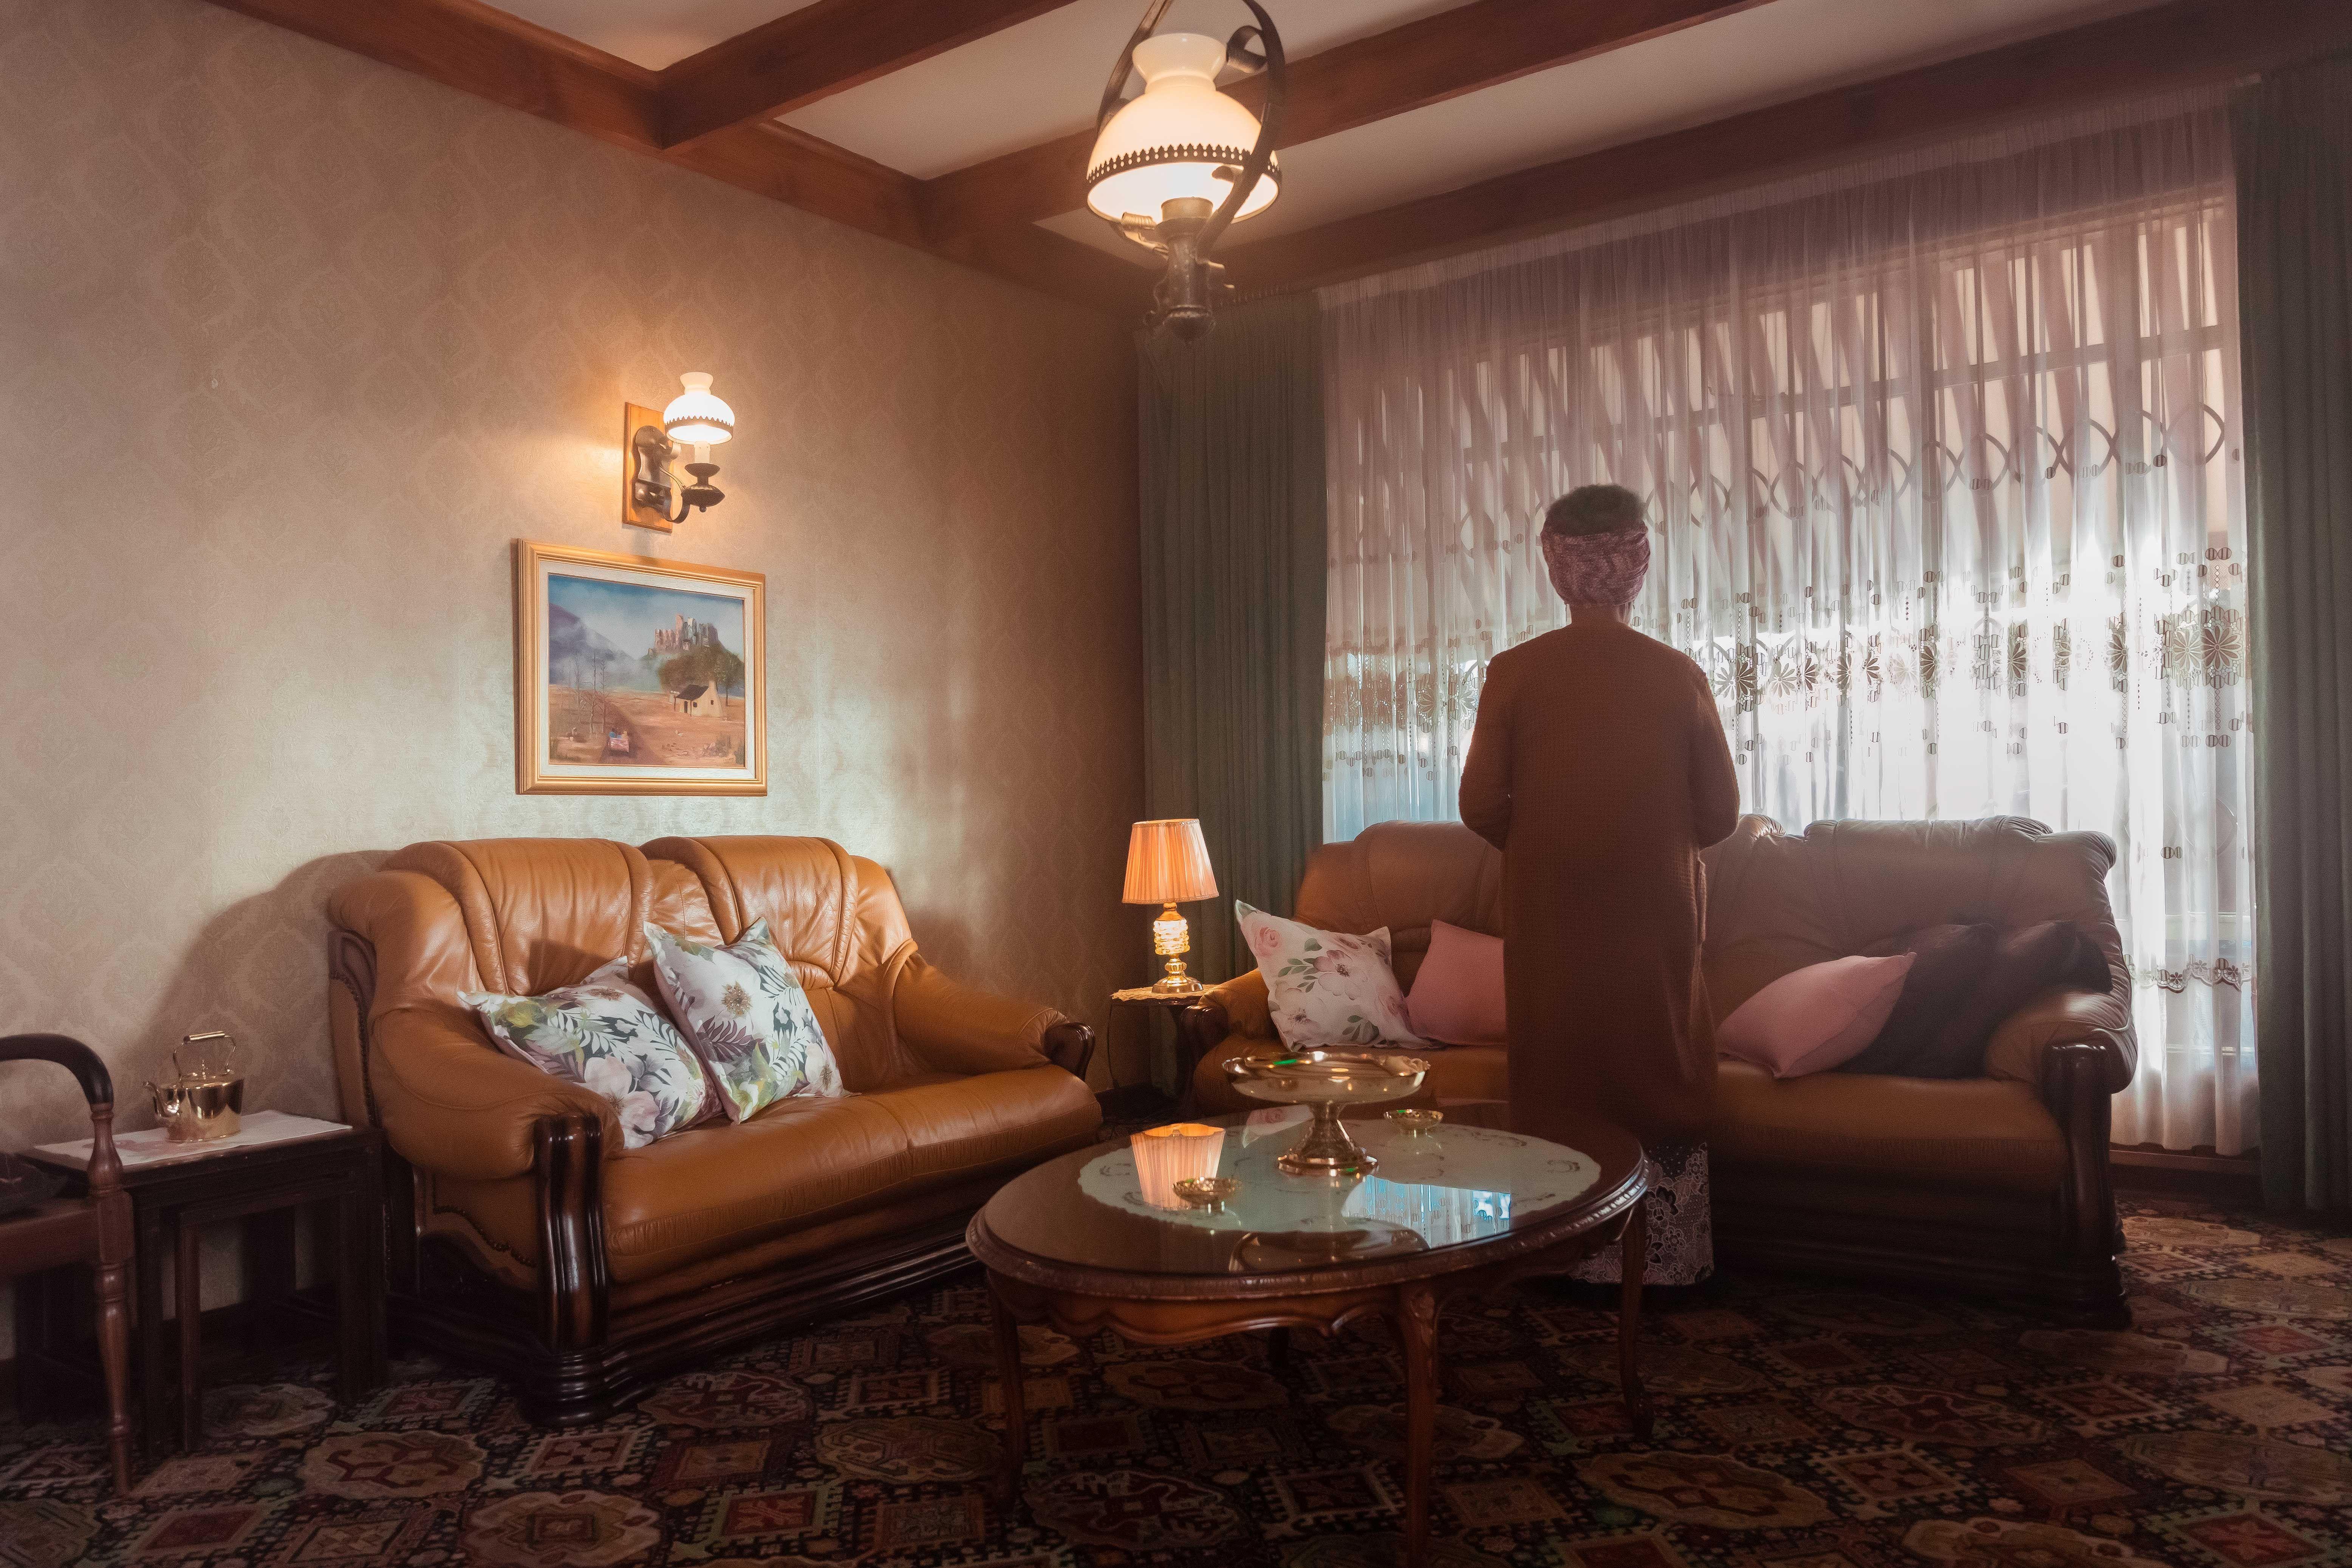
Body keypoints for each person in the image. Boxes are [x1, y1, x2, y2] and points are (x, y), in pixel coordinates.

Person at [1458, 484, 1740, 1285]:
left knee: (1560, 1072)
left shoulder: (1513, 673)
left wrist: (1551, 841)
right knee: (1659, 1069)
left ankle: (1557, 1254)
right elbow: (1718, 814)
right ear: (1637, 565)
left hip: (1551, 919)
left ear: (1554, 566)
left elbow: (1479, 804)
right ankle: (1663, 1267)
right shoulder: (1676, 674)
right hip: (1653, 921)